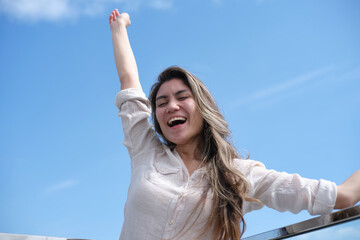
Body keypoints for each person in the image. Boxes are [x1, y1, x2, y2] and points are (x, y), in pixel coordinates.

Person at [109, 9, 360, 240]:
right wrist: (119, 29)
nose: (171, 106)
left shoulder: (238, 175)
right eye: (162, 103)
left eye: (182, 97)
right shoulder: (146, 150)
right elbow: (128, 81)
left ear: (204, 108)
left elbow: (343, 195)